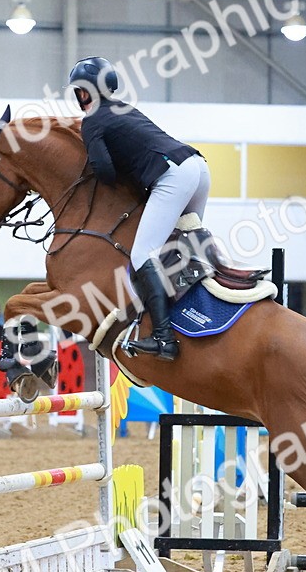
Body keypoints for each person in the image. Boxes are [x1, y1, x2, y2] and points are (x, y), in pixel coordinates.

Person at [69, 56, 209, 361]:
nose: (79, 98)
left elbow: (104, 171)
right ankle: (204, 310)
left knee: (142, 254)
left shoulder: (92, 119)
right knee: (187, 245)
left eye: (80, 90)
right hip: (198, 167)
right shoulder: (125, 108)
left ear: (87, 91)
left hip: (174, 175)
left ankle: (163, 338)